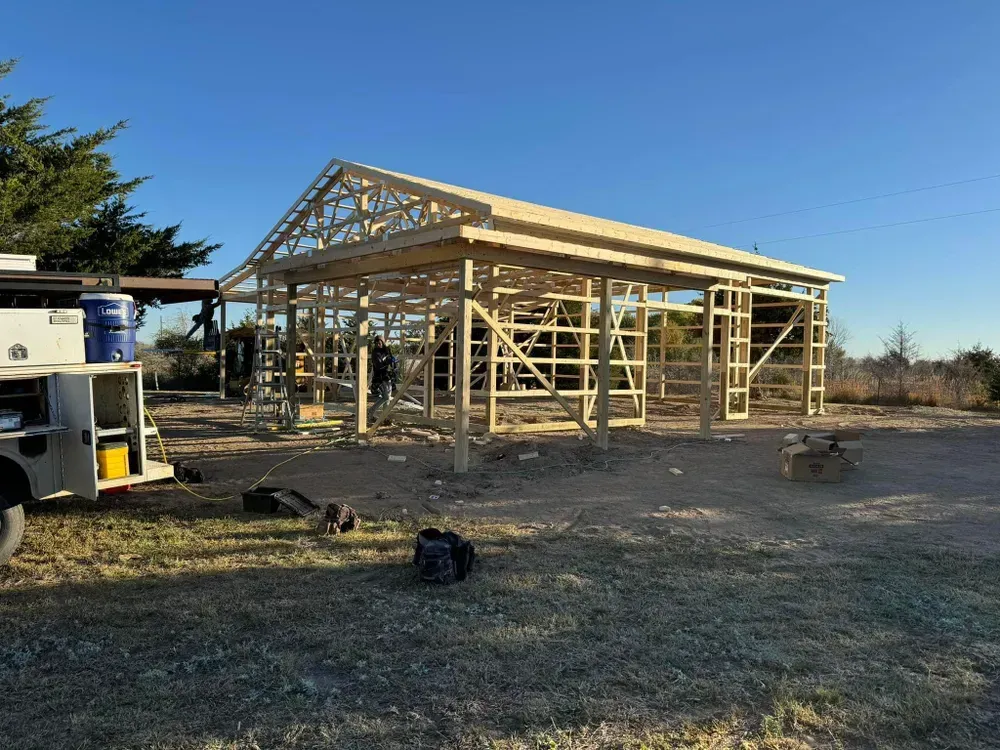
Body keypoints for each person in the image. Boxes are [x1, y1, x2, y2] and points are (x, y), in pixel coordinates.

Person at [370, 336, 398, 417]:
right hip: (379, 377)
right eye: (376, 343)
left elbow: (392, 363)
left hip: (387, 376)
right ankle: (371, 411)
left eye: (379, 343)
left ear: (382, 342)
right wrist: (387, 362)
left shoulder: (386, 351)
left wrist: (394, 364)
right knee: (386, 397)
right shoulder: (375, 353)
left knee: (387, 398)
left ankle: (384, 417)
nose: (378, 344)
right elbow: (378, 366)